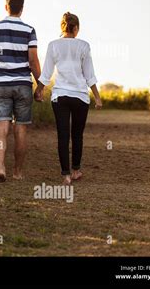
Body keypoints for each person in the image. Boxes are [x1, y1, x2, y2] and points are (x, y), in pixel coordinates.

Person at [0, 0, 41, 182]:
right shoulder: (29, 30)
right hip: (22, 85)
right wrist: (40, 85)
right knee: (20, 130)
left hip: (1, 84)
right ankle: (18, 172)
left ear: (6, 7)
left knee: (1, 127)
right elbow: (33, 60)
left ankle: (1, 167)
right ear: (22, 8)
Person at [35, 12, 102, 185]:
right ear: (76, 28)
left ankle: (65, 175)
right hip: (80, 96)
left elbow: (47, 73)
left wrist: (39, 90)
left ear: (62, 27)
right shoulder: (84, 46)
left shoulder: (53, 45)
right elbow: (90, 75)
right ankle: (76, 170)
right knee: (77, 135)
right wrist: (97, 97)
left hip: (60, 96)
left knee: (63, 135)